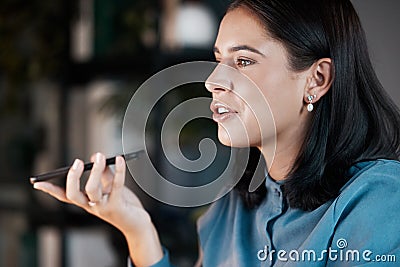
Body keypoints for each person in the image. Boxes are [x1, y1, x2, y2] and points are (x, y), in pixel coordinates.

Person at [33, 0, 400, 266]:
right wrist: (136, 227)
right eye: (218, 59)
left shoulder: (379, 200)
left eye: (243, 61)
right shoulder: (232, 207)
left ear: (317, 79)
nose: (213, 81)